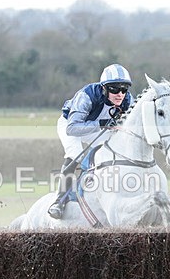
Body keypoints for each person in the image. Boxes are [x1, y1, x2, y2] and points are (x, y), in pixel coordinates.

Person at [48, 63, 134, 219]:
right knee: (75, 154)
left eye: (124, 89)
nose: (120, 94)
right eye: (114, 89)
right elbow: (72, 128)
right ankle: (59, 201)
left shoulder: (128, 100)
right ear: (104, 88)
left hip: (97, 128)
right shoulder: (87, 95)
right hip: (71, 125)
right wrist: (101, 124)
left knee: (110, 151)